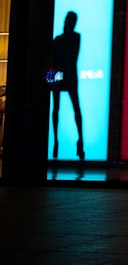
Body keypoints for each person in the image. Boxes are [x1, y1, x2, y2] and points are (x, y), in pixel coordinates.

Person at [49, 11, 84, 160]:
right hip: (65, 74)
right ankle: (65, 140)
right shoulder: (69, 38)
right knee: (63, 107)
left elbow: (63, 59)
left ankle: (73, 139)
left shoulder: (66, 39)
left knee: (67, 107)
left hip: (63, 74)